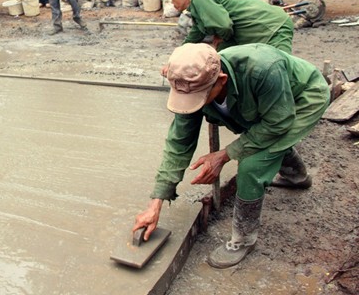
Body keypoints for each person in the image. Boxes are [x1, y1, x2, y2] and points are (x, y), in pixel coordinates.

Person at [134, 42, 329, 268]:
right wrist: (156, 201)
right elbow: (179, 142)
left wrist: (225, 154)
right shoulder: (191, 83)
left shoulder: (262, 68)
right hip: (268, 107)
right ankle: (297, 177)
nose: (193, 104)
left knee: (252, 163)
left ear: (221, 81)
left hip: (302, 98)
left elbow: (278, 123)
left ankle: (244, 239)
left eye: (199, 98)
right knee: (259, 137)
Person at [157, 0, 294, 54]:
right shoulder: (196, 8)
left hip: (273, 26)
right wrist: (180, 54)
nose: (171, 2)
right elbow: (196, 34)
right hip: (265, 28)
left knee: (280, 67)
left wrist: (220, 37)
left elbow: (224, 26)